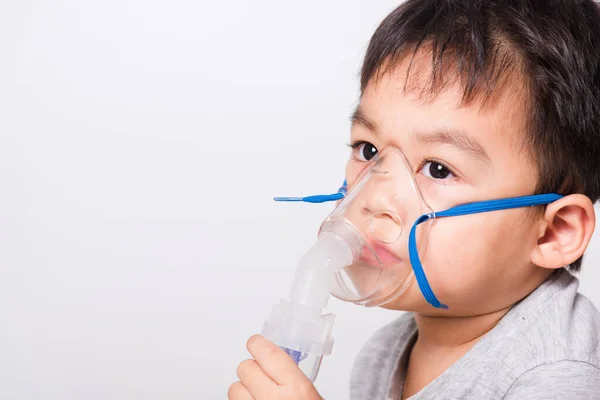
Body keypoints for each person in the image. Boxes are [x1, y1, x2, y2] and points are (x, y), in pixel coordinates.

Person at [228, 0, 600, 398]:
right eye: (368, 150)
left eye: (438, 169)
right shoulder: (384, 355)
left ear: (554, 233)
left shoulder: (558, 376)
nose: (374, 198)